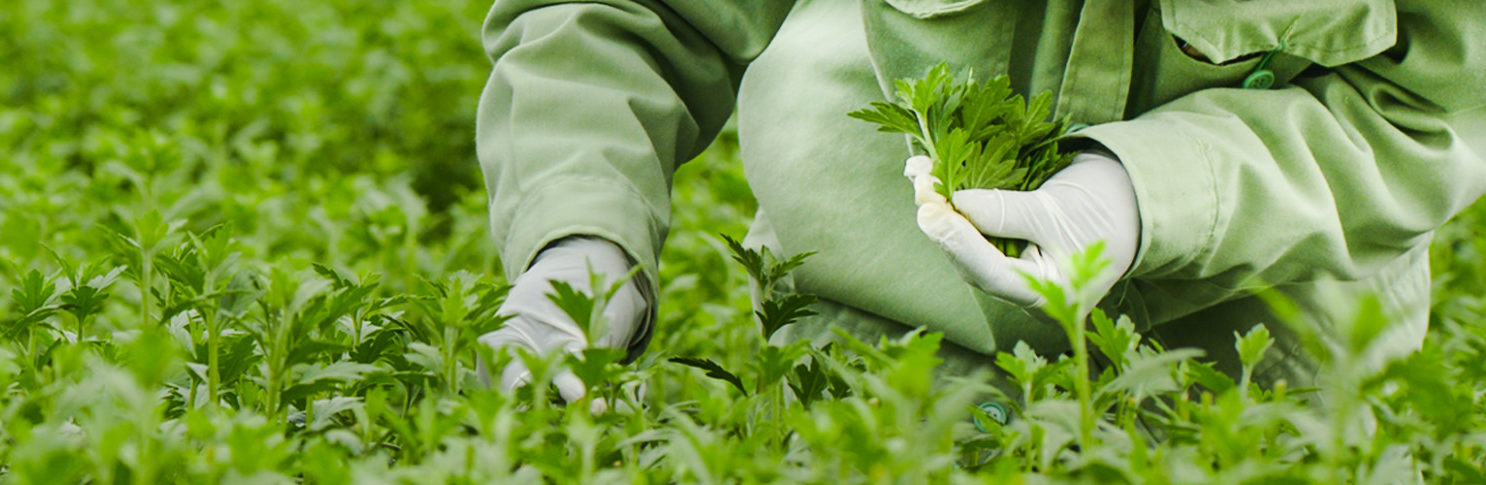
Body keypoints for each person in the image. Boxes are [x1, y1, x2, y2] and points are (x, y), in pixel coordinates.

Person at [474, 0, 1486, 405]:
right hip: (870, 397)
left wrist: (1151, 191)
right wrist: (581, 239)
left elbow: (1443, 103)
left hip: (1257, 413)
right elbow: (626, 16)